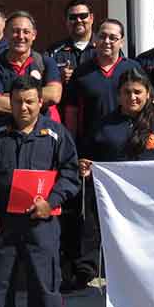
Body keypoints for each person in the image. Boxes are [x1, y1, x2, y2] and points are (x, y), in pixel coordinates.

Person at [0, 76, 80, 307]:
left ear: (41, 102)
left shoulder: (56, 135)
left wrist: (51, 202)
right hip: (1, 224)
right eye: (18, 101)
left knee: (45, 291)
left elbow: (70, 175)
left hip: (41, 224)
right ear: (10, 102)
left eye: (30, 101)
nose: (24, 107)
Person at [58, 19, 141, 292]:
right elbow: (70, 114)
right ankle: (86, 269)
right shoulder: (83, 74)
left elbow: (145, 106)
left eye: (113, 37)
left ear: (121, 40)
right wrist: (74, 152)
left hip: (127, 153)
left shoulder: (133, 70)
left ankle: (125, 267)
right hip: (92, 154)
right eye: (103, 36)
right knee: (90, 215)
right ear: (96, 40)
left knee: (127, 213)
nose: (107, 41)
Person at [78, 67, 154, 167]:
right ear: (119, 95)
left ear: (148, 94)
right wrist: (86, 169)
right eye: (127, 92)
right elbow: (90, 161)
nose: (132, 97)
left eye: (137, 92)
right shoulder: (103, 126)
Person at [0, 11, 63, 120]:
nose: (20, 36)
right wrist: (37, 99)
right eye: (15, 31)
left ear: (34, 35)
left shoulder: (46, 62)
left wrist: (10, 97)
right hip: (7, 133)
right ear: (5, 34)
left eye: (26, 32)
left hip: (42, 133)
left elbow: (54, 95)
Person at [47, 0, 97, 85]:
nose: (78, 20)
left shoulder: (104, 47)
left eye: (83, 16)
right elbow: (43, 82)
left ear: (91, 18)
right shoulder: (53, 51)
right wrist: (58, 78)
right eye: (73, 17)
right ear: (66, 21)